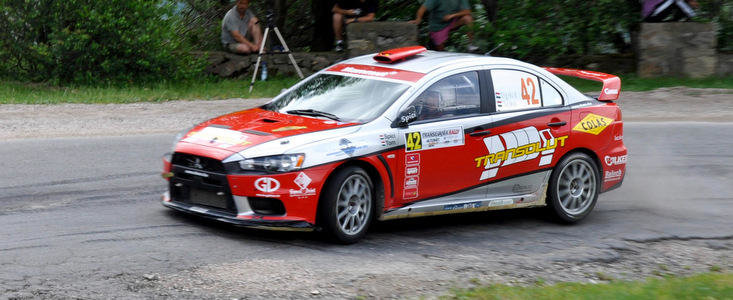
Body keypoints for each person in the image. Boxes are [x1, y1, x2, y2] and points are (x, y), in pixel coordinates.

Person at [409, 0, 478, 52]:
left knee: (468, 18)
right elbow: (422, 9)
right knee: (440, 49)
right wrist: (418, 19)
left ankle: (471, 44)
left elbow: (467, 11)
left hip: (452, 22)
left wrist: (452, 15)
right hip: (437, 26)